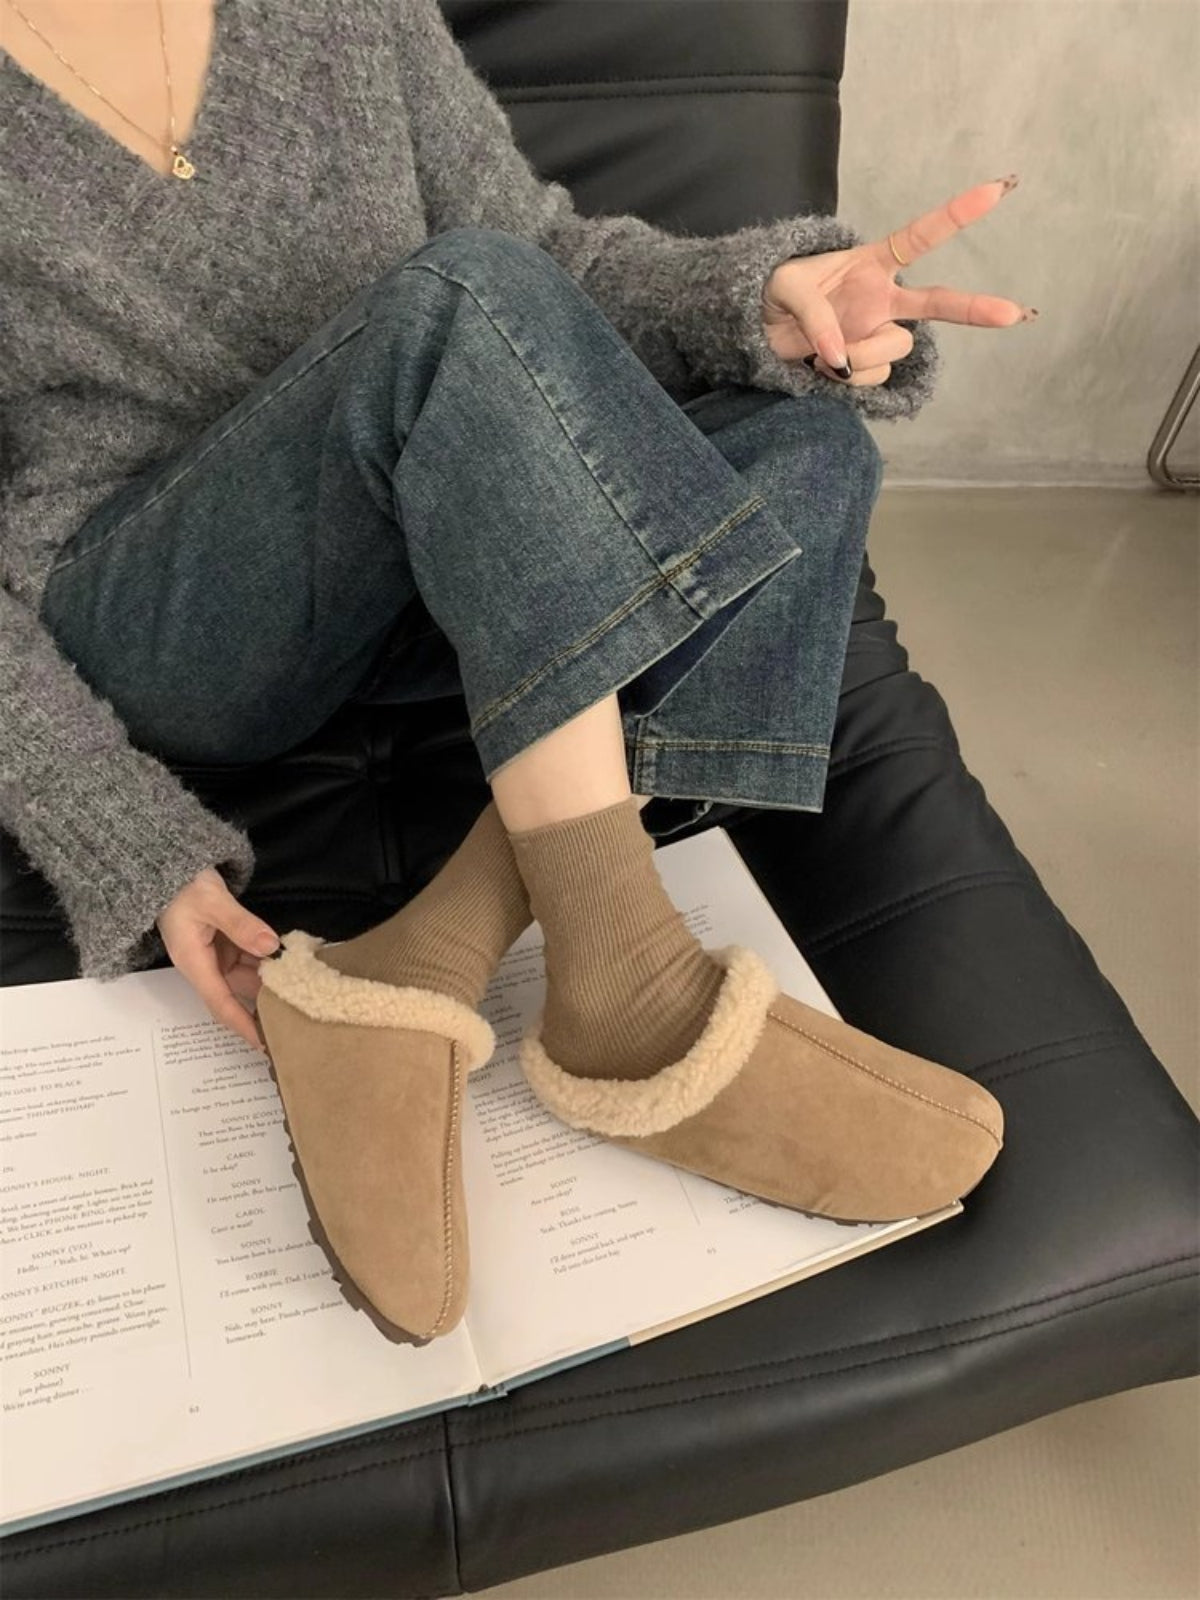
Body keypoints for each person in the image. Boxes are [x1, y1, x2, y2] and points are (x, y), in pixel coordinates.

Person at [1, 0, 1035, 1343]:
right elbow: (479, 297)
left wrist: (760, 310)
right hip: (170, 614)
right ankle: (633, 999)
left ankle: (408, 968)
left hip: (441, 558)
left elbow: (546, 266)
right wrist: (113, 832)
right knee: (454, 299)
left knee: (804, 447)